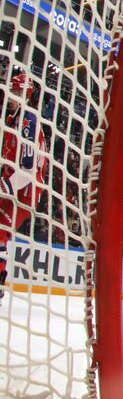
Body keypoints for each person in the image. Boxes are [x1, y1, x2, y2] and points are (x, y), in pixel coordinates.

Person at [0, 69, 47, 298]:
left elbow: (28, 171)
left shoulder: (28, 120)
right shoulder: (13, 118)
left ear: (26, 94)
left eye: (17, 90)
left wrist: (4, 186)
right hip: (12, 185)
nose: (12, 94)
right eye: (12, 89)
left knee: (0, 230)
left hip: (26, 191)